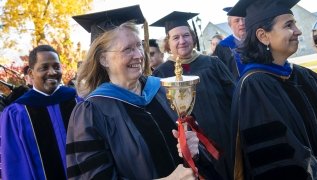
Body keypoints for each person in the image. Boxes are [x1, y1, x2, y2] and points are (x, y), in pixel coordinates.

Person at [68, 6, 218, 179]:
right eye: (127, 49)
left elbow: (195, 153)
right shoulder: (92, 113)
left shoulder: (162, 90)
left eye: (139, 46)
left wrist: (194, 150)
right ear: (103, 59)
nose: (139, 55)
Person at [228, 0, 317, 179]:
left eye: (295, 23)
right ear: (263, 36)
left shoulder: (302, 75)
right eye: (288, 25)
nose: (298, 31)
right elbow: (280, 161)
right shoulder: (254, 87)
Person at [151, 11, 235, 180]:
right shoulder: (161, 75)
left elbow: (234, 97)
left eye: (186, 35)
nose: (182, 41)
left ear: (193, 38)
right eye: (175, 38)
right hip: (188, 147)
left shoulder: (213, 63)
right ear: (168, 43)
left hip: (225, 140)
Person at [0, 45, 81, 180]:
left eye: (56, 66)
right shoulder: (17, 113)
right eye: (44, 67)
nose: (52, 72)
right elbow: (15, 164)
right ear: (31, 74)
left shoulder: (78, 101)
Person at [213, 7, 246, 80]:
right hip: (237, 89)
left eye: (244, 19)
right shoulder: (222, 47)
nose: (242, 23)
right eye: (237, 20)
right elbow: (220, 75)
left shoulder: (257, 41)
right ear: (230, 25)